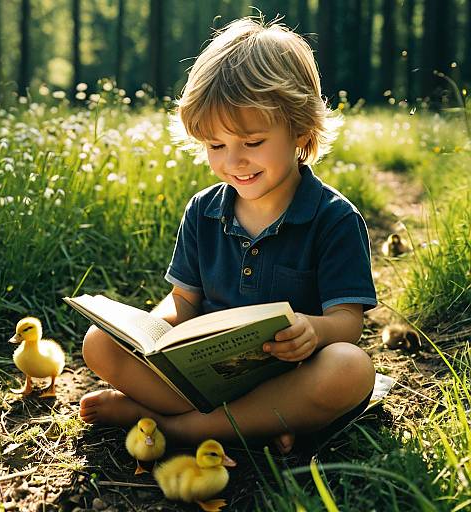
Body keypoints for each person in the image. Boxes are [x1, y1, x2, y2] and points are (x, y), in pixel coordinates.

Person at [79, 16, 377, 455]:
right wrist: (156, 331)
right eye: (216, 146)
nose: (234, 161)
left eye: (252, 142)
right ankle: (251, 428)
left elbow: (348, 323)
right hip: (209, 378)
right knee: (99, 343)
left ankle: (175, 429)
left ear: (300, 129)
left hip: (292, 377)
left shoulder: (333, 218)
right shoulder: (203, 210)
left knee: (351, 369)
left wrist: (312, 330)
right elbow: (184, 302)